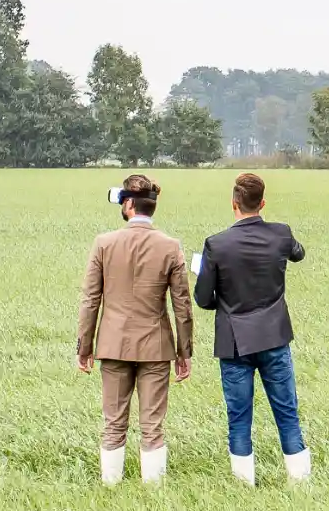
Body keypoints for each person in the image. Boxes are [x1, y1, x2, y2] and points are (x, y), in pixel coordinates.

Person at [194, 173, 310, 486]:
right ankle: (299, 480)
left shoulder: (216, 245)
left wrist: (224, 299)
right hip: (274, 337)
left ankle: (244, 483)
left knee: (239, 417)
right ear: (262, 203)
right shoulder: (281, 234)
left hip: (233, 341)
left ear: (233, 204)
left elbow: (203, 298)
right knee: (287, 412)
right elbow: (298, 253)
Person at [77, 174, 193, 485]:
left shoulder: (104, 243)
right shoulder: (171, 246)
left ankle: (110, 485)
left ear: (128, 204)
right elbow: (182, 304)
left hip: (113, 344)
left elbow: (91, 299)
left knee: (114, 422)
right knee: (152, 425)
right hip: (156, 346)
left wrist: (84, 346)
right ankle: (153, 490)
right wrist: (185, 351)